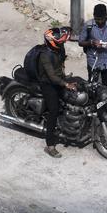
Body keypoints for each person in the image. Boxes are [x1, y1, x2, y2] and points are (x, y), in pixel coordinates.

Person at [35, 26, 76, 159]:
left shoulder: (59, 48)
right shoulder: (44, 55)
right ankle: (50, 145)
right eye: (60, 42)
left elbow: (61, 64)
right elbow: (52, 76)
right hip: (47, 83)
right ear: (53, 42)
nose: (63, 43)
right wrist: (65, 84)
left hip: (59, 79)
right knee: (54, 110)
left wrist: (65, 78)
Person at [78, 2, 107, 109]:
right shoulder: (89, 25)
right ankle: (93, 108)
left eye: (101, 19)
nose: (99, 21)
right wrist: (92, 43)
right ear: (94, 17)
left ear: (106, 16)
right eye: (97, 19)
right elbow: (80, 42)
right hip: (93, 61)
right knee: (92, 86)